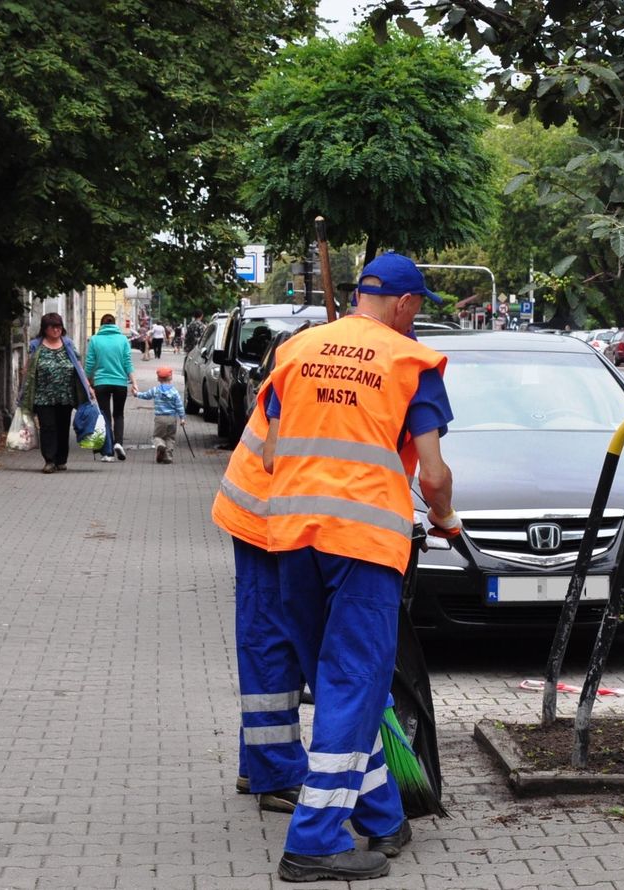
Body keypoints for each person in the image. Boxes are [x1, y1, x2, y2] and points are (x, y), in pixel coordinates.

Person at [262, 252, 459, 883]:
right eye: (418, 308)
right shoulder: (411, 362)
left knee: (346, 688)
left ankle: (381, 815)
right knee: (353, 684)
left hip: (292, 537)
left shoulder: (295, 351)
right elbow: (432, 474)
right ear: (404, 304)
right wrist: (449, 521)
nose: (417, 318)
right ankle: (314, 842)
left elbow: (268, 452)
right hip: (365, 544)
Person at [211, 384, 309, 815]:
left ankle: (257, 764)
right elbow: (277, 455)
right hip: (265, 518)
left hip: (279, 513)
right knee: (272, 645)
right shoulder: (309, 372)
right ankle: (277, 775)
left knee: (274, 643)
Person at [20, 312, 92, 474]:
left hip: (65, 395)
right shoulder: (36, 345)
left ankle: (61, 460)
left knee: (62, 427)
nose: (56, 330)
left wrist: (88, 386)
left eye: (59, 327)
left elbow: (78, 366)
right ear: (45, 329)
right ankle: (49, 460)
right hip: (43, 395)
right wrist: (23, 388)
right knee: (47, 427)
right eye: (53, 327)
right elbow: (28, 368)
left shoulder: (68, 344)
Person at [85, 313, 135, 463]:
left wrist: (87, 381)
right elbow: (127, 362)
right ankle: (118, 443)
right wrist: (134, 381)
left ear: (102, 324)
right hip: (120, 383)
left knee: (105, 415)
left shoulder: (94, 340)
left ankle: (108, 452)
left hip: (101, 383)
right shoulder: (123, 339)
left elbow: (90, 363)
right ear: (115, 324)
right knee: (118, 414)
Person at [133, 366, 186, 463]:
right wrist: (182, 418)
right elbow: (179, 406)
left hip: (160, 418)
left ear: (158, 378)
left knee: (157, 436)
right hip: (172, 418)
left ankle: (160, 445)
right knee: (170, 437)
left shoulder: (156, 390)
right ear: (171, 378)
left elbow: (146, 395)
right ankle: (168, 457)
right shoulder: (174, 392)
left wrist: (137, 394)